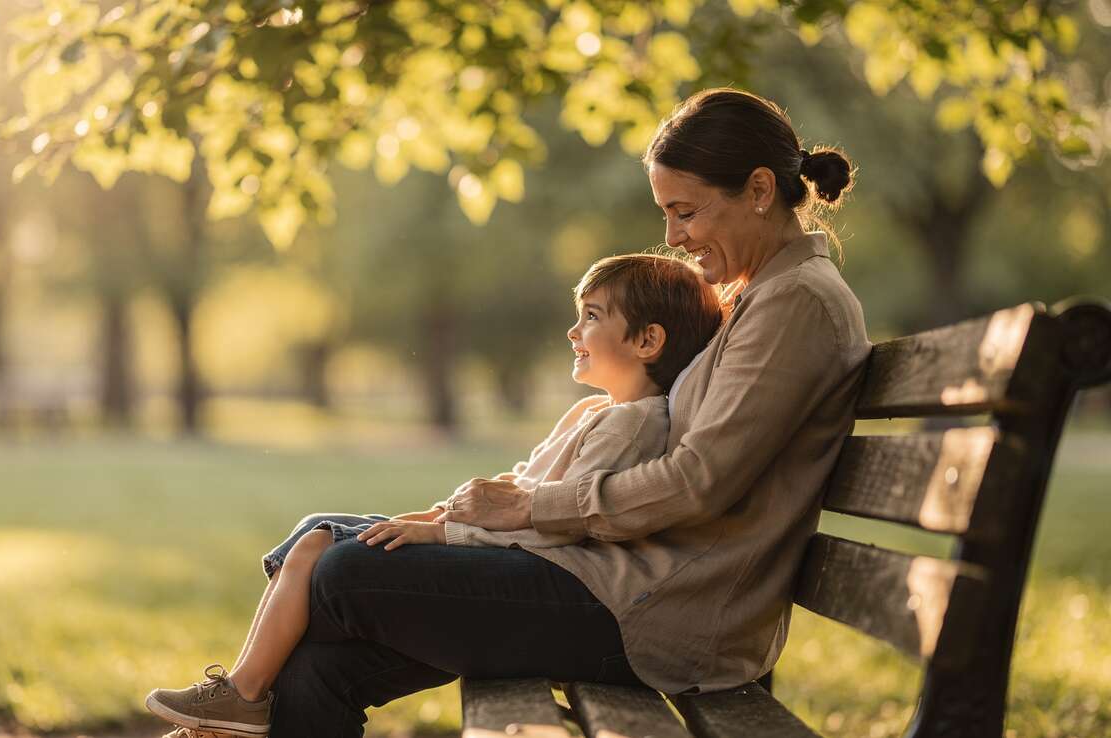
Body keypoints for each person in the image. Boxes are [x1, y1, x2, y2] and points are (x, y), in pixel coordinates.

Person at [159, 86, 869, 738]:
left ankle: (238, 699)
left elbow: (696, 481)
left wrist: (526, 510)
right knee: (320, 662)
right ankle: (243, 700)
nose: (675, 237)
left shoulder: (796, 302)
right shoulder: (756, 296)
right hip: (614, 580)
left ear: (758, 190)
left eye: (686, 212)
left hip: (657, 613)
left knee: (342, 576)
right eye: (667, 215)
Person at [143, 253, 723, 737]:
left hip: (543, 571)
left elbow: (557, 523)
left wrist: (442, 533)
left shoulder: (635, 425)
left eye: (592, 317)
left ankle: (242, 693)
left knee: (326, 552)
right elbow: (518, 487)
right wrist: (436, 515)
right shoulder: (594, 411)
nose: (574, 332)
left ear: (648, 340)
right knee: (317, 561)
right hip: (514, 559)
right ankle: (244, 695)